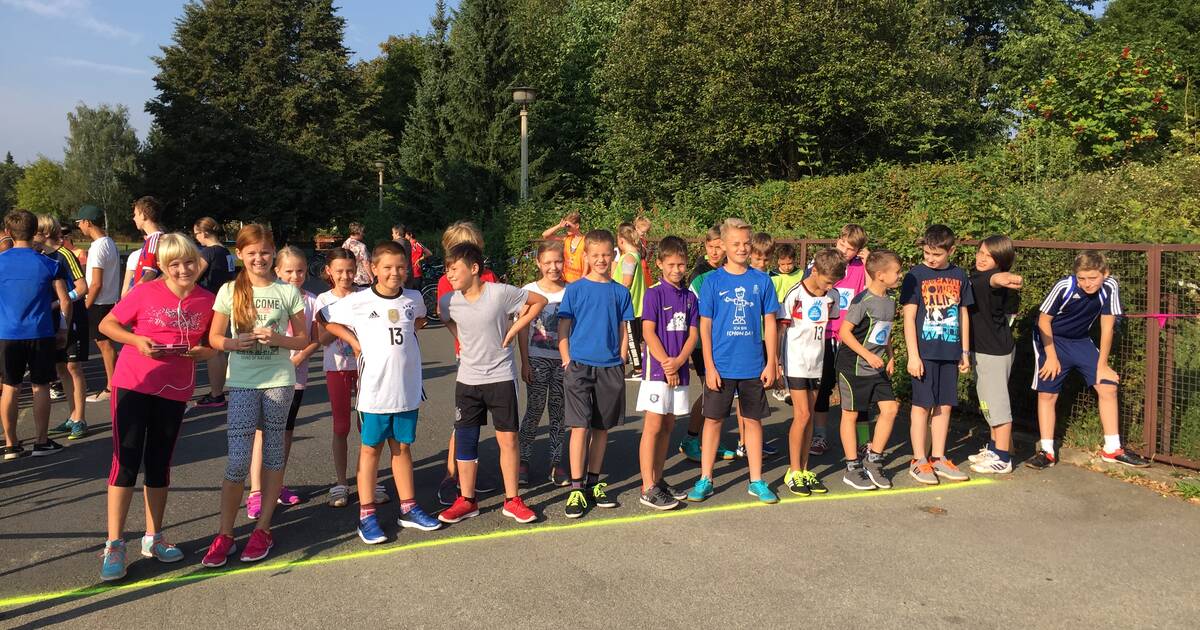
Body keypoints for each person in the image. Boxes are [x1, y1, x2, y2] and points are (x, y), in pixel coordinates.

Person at [97, 233, 217, 581]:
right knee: (126, 460)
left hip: (175, 388)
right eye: (174, 264)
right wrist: (136, 340)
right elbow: (107, 324)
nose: (183, 269)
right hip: (134, 383)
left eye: (189, 262)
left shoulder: (208, 300)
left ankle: (154, 536)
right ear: (163, 266)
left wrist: (205, 352)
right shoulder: (145, 292)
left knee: (160, 462)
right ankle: (114, 543)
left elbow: (213, 342)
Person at [321, 241, 443, 543]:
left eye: (400, 267)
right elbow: (324, 318)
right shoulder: (358, 301)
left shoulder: (414, 298)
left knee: (402, 448)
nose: (394, 273)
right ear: (373, 268)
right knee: (370, 450)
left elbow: (418, 319)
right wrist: (355, 342)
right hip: (374, 392)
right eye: (387, 267)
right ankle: (366, 515)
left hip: (406, 389)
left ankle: (408, 507)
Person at [202, 224, 309, 567]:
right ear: (240, 254)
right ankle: (225, 533)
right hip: (243, 382)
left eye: (265, 252)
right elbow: (214, 338)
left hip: (279, 380)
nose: (259, 258)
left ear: (273, 253)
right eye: (252, 253)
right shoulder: (229, 290)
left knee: (274, 454)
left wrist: (277, 339)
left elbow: (304, 339)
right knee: (237, 460)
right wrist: (234, 344)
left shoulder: (286, 291)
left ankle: (263, 528)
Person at [438, 242, 546, 524]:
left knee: (508, 439)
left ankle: (512, 500)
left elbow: (539, 301)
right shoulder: (449, 301)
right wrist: (459, 337)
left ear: (474, 268)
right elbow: (444, 317)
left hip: (500, 377)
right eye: (447, 270)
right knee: (465, 439)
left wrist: (514, 329)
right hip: (467, 380)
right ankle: (467, 500)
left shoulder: (499, 293)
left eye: (454, 269)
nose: (449, 274)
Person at [1027, 251, 1150, 469]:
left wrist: (1102, 366)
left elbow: (1107, 327)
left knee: (1108, 386)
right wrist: (1051, 357)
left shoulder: (1110, 286)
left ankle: (1112, 449)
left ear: (1105, 273)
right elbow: (1043, 321)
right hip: (1052, 340)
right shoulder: (1065, 286)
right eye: (1082, 278)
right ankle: (1047, 452)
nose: (1087, 283)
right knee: (1047, 393)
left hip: (1081, 340)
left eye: (1092, 278)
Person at [687, 218, 779, 504]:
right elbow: (704, 326)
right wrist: (709, 365)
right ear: (724, 245)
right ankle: (705, 478)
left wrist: (772, 362)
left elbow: (771, 323)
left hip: (753, 365)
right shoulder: (712, 282)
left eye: (746, 243)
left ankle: (756, 480)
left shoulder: (762, 281)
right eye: (736, 243)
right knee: (713, 421)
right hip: (721, 365)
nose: (742, 248)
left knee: (753, 421)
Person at [557, 229, 633, 518]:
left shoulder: (620, 291)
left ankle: (592, 482)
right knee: (580, 427)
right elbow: (564, 327)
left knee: (601, 428)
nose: (601, 260)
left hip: (610, 366)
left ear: (613, 255)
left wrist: (622, 358)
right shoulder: (575, 289)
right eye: (595, 255)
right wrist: (566, 359)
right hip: (579, 366)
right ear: (586, 257)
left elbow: (624, 328)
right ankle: (576, 488)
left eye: (606, 255)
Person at [244, 247, 320, 517]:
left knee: (285, 432)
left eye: (300, 271)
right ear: (277, 271)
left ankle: (276, 484)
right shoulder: (267, 295)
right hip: (266, 375)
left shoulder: (312, 301)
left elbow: (315, 338)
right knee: (262, 433)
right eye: (289, 271)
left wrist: (297, 359)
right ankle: (256, 491)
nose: (295, 276)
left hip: (295, 377)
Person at [901, 224, 974, 485]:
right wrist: (913, 355)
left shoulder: (960, 275)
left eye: (937, 254)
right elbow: (909, 318)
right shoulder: (915, 275)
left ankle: (938, 457)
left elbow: (964, 313)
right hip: (924, 353)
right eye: (927, 253)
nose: (931, 259)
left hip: (950, 351)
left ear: (951, 251)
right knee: (922, 406)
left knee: (944, 405)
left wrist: (965, 351)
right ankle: (918, 460)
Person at [435, 221, 501, 505]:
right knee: (464, 421)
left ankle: (467, 475)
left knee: (478, 421)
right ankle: (451, 475)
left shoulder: (488, 276)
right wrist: (463, 339)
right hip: (468, 356)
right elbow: (445, 314)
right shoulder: (447, 279)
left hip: (493, 357)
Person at [0, 210, 70, 459]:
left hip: (7, 333)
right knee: (40, 386)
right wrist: (63, 329)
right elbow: (65, 300)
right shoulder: (49, 263)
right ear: (34, 232)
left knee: (10, 387)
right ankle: (41, 442)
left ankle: (11, 444)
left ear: (8, 233)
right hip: (40, 332)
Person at [314, 247, 381, 507]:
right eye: (339, 271)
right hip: (337, 367)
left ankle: (370, 479)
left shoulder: (366, 295)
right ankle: (341, 482)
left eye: (350, 271)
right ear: (329, 271)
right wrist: (341, 322)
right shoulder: (323, 300)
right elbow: (322, 338)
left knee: (369, 426)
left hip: (366, 367)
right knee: (341, 426)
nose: (345, 276)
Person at [777, 248, 846, 496]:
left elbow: (829, 325)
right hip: (795, 360)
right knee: (803, 415)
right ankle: (793, 471)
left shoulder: (833, 295)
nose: (830, 286)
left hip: (817, 361)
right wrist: (776, 361)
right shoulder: (795, 293)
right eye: (827, 281)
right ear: (814, 271)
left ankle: (804, 469)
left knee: (810, 416)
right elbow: (781, 329)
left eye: (834, 282)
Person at [637, 236, 698, 510]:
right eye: (671, 264)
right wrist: (666, 363)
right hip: (657, 371)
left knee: (668, 426)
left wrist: (680, 361)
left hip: (679, 370)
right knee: (653, 426)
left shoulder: (690, 297)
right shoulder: (654, 293)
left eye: (681, 264)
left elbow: (693, 334)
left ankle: (658, 479)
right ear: (660, 263)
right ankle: (647, 486)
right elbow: (648, 332)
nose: (676, 269)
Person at [836, 250, 904, 491]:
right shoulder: (861, 301)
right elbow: (844, 333)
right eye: (897, 271)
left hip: (876, 366)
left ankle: (873, 460)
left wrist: (891, 355)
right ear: (880, 275)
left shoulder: (891, 300)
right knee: (851, 415)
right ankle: (852, 467)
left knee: (890, 409)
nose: (900, 275)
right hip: (853, 366)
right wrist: (867, 355)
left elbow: (885, 331)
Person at [966, 236, 1024, 474]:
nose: (981, 258)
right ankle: (994, 448)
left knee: (997, 405)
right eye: (980, 252)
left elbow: (996, 280)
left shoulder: (991, 278)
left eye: (989, 256)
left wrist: (1005, 277)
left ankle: (1003, 458)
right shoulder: (977, 276)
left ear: (1000, 260)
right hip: (983, 349)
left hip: (994, 351)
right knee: (987, 402)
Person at [679, 225, 735, 462]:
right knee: (710, 392)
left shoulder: (729, 271)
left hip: (724, 342)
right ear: (705, 246)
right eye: (710, 247)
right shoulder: (699, 275)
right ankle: (691, 439)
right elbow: (697, 313)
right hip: (703, 343)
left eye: (719, 247)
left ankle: (712, 440)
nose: (714, 252)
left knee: (717, 393)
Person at [811, 224, 868, 456]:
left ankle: (864, 440)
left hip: (850, 337)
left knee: (857, 389)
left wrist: (869, 262)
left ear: (859, 250)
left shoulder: (862, 268)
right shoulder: (823, 264)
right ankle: (820, 435)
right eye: (842, 243)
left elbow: (872, 293)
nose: (844, 250)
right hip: (825, 334)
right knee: (824, 387)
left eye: (851, 248)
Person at [516, 241, 569, 487]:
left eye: (558, 261)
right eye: (547, 262)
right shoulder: (528, 291)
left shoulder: (571, 291)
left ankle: (556, 463)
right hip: (536, 358)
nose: (553, 267)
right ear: (538, 263)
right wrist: (525, 362)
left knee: (558, 411)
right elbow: (522, 327)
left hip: (562, 361)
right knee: (535, 409)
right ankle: (522, 459)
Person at [35, 215, 90, 439]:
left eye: (35, 232)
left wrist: (59, 302)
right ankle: (73, 415)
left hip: (72, 317)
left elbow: (82, 287)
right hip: (52, 320)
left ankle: (80, 418)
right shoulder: (39, 256)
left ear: (46, 233)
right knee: (61, 368)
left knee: (73, 367)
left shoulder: (64, 255)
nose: (31, 237)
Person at [76, 205, 121, 404]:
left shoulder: (97, 247)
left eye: (79, 223)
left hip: (99, 302)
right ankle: (116, 383)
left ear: (87, 222)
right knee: (106, 344)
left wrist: (85, 305)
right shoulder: (110, 242)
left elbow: (96, 283)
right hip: (108, 300)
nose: (79, 227)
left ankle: (112, 387)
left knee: (104, 345)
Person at [193, 217, 236, 408]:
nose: (196, 237)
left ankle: (216, 394)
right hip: (224, 300)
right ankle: (218, 389)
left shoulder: (208, 252)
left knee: (211, 349)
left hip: (209, 302)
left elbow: (193, 275)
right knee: (218, 349)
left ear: (204, 233)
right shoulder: (226, 252)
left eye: (196, 233)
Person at [617, 222, 647, 378]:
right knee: (632, 337)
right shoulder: (635, 255)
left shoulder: (629, 258)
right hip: (634, 303)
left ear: (621, 240)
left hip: (630, 305)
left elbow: (626, 282)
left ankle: (638, 368)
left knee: (630, 338)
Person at [542, 211, 587, 282]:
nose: (567, 228)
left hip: (579, 280)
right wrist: (559, 226)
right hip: (565, 280)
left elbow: (587, 262)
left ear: (577, 226)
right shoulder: (566, 239)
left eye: (569, 226)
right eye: (566, 226)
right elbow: (545, 235)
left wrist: (583, 280)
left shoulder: (586, 241)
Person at [131, 196, 165, 287]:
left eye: (135, 214)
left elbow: (150, 274)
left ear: (143, 215)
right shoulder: (153, 239)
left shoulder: (155, 240)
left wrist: (131, 293)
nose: (134, 218)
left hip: (145, 293)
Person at [341, 222, 373, 288]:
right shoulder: (361, 246)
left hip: (349, 276)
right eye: (363, 232)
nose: (363, 234)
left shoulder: (345, 244)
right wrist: (371, 276)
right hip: (361, 278)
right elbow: (366, 263)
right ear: (359, 232)